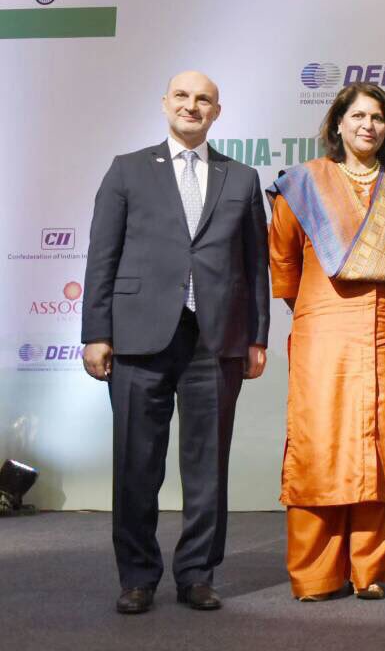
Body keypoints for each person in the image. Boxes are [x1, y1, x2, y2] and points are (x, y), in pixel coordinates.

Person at [82, 71, 270, 614]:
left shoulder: (241, 176)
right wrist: (97, 332)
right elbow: (102, 256)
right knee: (137, 463)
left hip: (217, 341)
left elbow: (254, 265)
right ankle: (138, 575)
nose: (193, 106)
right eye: (183, 96)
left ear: (217, 111)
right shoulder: (128, 170)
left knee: (208, 465)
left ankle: (197, 574)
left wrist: (256, 336)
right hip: (139, 338)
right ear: (165, 103)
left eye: (204, 99)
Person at [267, 82, 385, 602]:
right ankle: (315, 574)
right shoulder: (306, 183)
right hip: (324, 332)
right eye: (357, 115)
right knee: (321, 449)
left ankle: (371, 571)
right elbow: (284, 260)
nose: (368, 125)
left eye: (378, 118)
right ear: (337, 123)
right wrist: (313, 310)